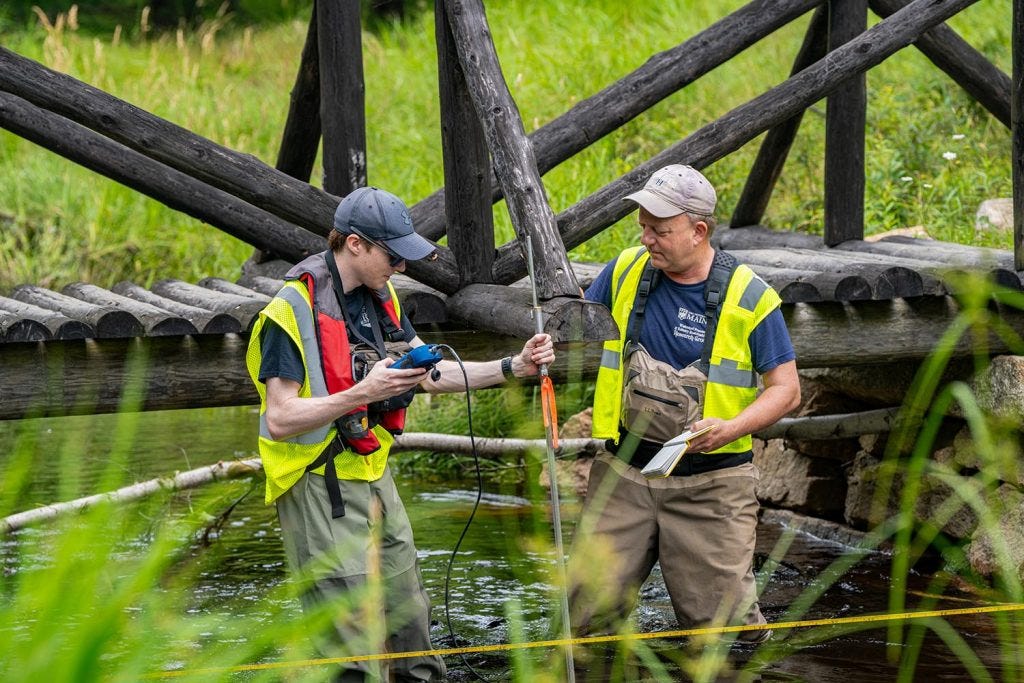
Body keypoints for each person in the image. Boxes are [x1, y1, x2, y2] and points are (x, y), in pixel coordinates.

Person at [246, 186, 555, 682]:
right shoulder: (289, 312)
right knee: (348, 642)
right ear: (354, 245)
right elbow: (281, 418)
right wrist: (361, 393)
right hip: (315, 481)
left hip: (372, 471)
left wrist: (512, 366)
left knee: (409, 613)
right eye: (393, 256)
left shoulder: (382, 296)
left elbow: (431, 373)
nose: (402, 268)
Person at [570, 165, 800, 649]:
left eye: (661, 229)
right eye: (644, 227)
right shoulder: (625, 270)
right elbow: (573, 323)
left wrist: (733, 427)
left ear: (699, 231)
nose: (647, 238)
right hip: (621, 476)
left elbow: (787, 390)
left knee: (723, 642)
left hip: (711, 487)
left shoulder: (751, 297)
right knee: (587, 627)